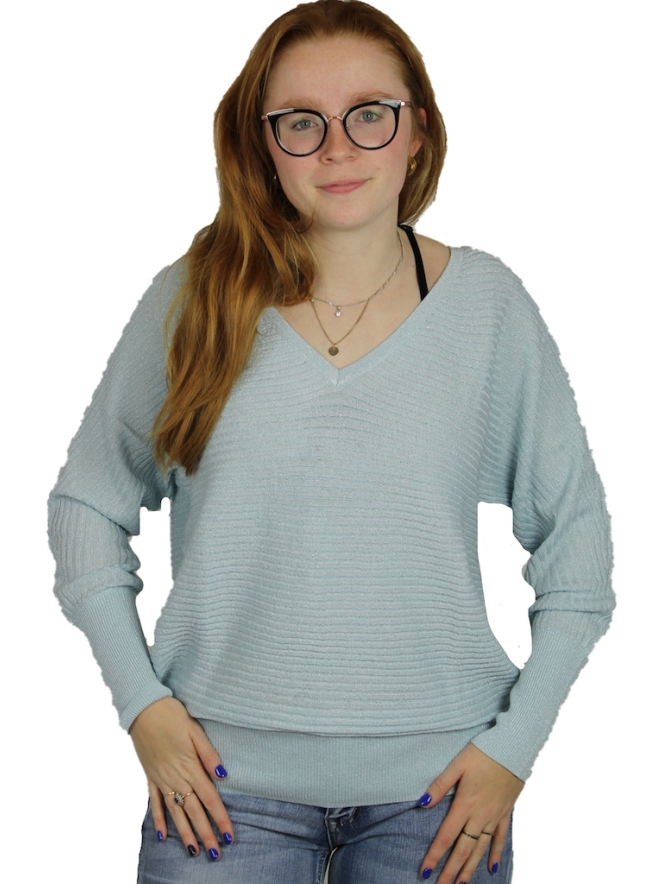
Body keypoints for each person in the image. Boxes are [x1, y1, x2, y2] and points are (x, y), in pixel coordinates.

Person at [47, 1, 614, 881]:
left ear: (416, 132)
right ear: (264, 144)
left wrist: (515, 749)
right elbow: (87, 503)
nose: (337, 148)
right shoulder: (193, 299)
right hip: (218, 794)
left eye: (368, 115)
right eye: (301, 122)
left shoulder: (489, 309)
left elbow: (577, 551)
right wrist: (141, 706)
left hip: (438, 798)